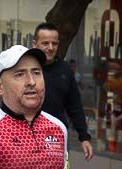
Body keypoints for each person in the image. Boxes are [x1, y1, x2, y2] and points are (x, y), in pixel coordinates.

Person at [34, 23, 94, 161]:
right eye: (45, 43)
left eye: (54, 43)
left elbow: (75, 106)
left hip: (57, 138)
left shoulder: (65, 71)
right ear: (35, 43)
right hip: (28, 135)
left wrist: (84, 137)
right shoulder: (25, 68)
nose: (50, 48)